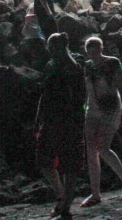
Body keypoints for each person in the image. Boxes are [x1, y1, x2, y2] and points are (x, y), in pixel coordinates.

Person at [35, 33, 86, 220]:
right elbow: (44, 93)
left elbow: (80, 93)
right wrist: (39, 117)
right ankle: (62, 195)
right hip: (51, 119)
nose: (49, 50)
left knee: (70, 162)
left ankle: (66, 203)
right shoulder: (50, 66)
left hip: (69, 120)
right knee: (44, 159)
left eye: (51, 47)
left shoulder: (75, 65)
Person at [81, 37, 122, 207]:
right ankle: (95, 193)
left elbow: (121, 88)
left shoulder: (113, 63)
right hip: (92, 110)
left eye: (96, 50)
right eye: (90, 51)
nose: (94, 54)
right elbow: (87, 90)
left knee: (103, 148)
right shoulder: (87, 66)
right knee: (91, 151)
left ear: (101, 48)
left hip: (111, 109)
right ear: (87, 51)